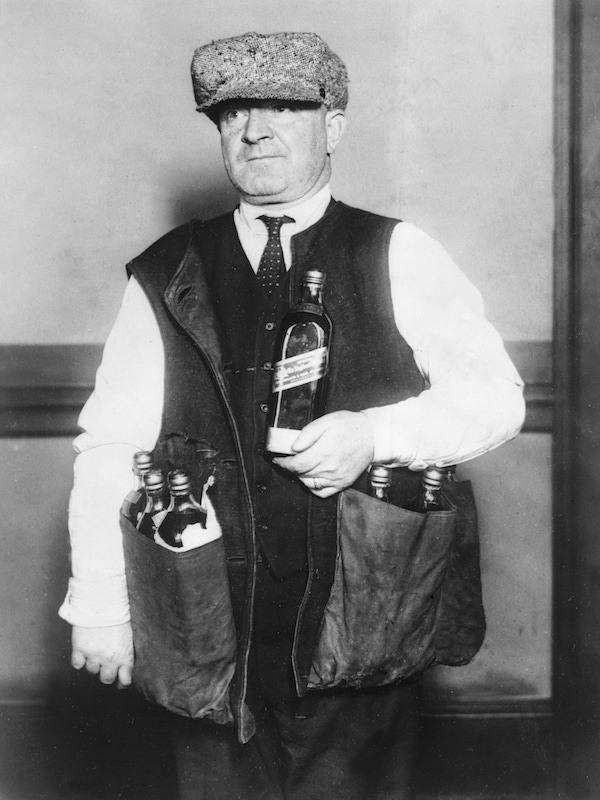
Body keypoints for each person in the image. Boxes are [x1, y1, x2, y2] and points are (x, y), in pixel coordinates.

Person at [59, 31, 525, 800]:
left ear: (333, 126)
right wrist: (100, 606)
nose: (256, 130)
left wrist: (375, 434)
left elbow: (495, 398)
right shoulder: (166, 269)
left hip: (361, 622)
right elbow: (110, 442)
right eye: (234, 113)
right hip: (206, 625)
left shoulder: (398, 252)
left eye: (284, 108)